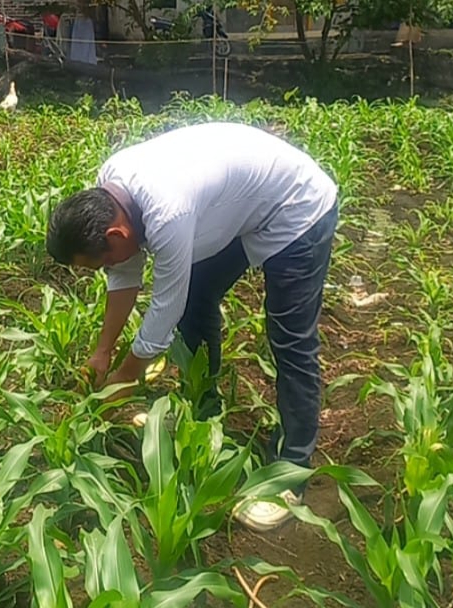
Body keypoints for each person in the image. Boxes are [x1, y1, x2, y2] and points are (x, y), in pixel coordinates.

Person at [44, 122, 339, 532]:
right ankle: (202, 415)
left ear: (116, 233)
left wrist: (125, 378)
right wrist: (103, 352)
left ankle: (290, 472)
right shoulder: (110, 187)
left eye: (103, 260)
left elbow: (165, 307)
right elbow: (124, 272)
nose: (108, 267)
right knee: (198, 298)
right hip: (239, 207)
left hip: (295, 207)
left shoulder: (168, 214)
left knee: (291, 341)